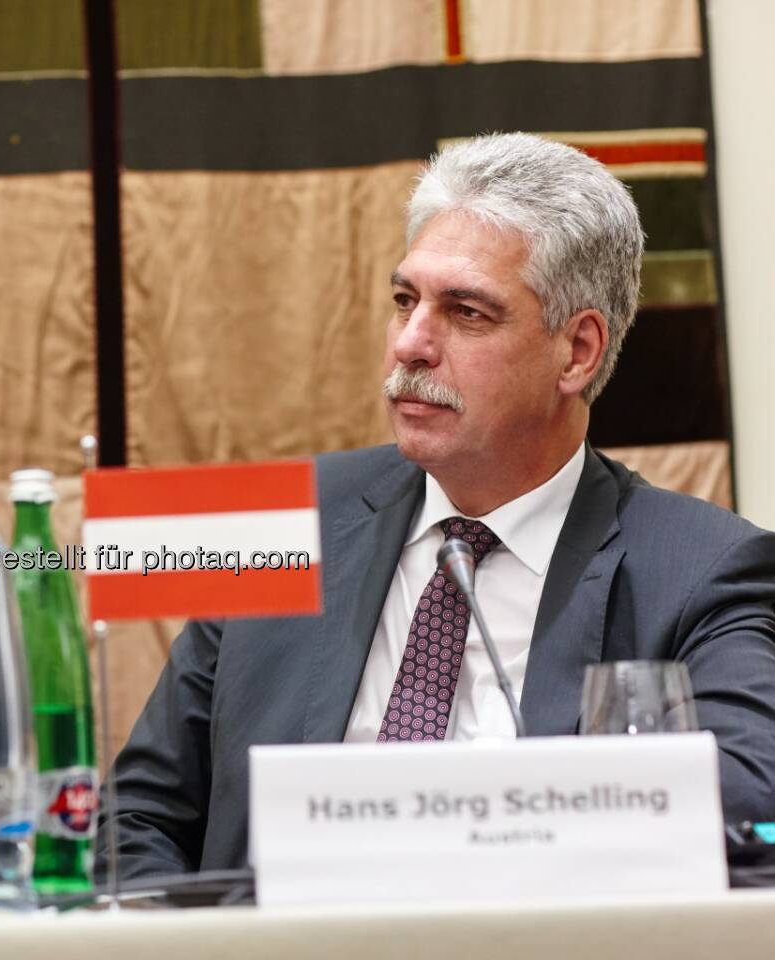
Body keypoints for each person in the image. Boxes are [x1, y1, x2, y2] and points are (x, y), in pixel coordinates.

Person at [105, 133, 775, 880]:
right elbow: (138, 818)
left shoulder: (705, 571)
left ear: (577, 352)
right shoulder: (278, 521)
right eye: (405, 301)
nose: (411, 345)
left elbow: (749, 824)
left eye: (467, 313)